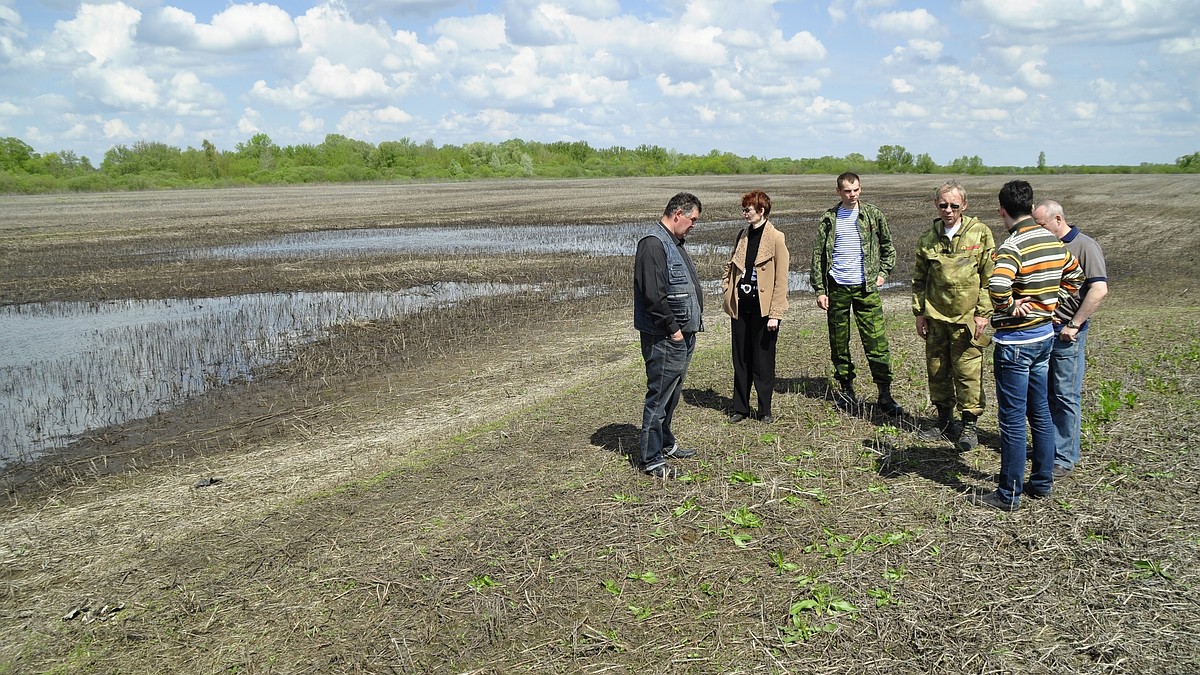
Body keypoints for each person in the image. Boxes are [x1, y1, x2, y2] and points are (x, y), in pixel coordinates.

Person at [972, 180, 1083, 512]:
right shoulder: (1052, 240)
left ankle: (1008, 494)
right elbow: (1076, 278)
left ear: (1002, 211)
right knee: (1041, 412)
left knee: (1012, 419)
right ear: (1030, 206)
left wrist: (1009, 309)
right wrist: (1050, 305)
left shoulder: (1012, 246)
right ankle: (1042, 482)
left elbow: (997, 285)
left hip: (1015, 344)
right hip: (1044, 340)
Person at [810, 171, 903, 415]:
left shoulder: (872, 214)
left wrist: (883, 273)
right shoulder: (829, 219)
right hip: (838, 288)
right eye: (847, 191)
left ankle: (884, 395)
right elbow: (818, 257)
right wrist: (820, 289)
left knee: (876, 342)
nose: (852, 195)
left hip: (866, 289)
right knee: (839, 343)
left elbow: (888, 248)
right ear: (838, 192)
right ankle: (847, 390)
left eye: (856, 190)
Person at [912, 181, 994, 451]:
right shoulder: (928, 238)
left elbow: (988, 278)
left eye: (954, 205)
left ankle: (969, 425)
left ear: (964, 206)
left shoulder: (980, 234)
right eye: (943, 204)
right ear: (936, 205)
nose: (948, 210)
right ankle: (945, 421)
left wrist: (983, 314)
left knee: (967, 372)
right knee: (937, 371)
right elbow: (920, 280)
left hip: (967, 321)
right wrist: (920, 313)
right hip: (936, 319)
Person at [1033, 199, 1109, 478]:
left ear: (1058, 219)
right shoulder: (1048, 246)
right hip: (1044, 329)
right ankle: (1050, 446)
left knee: (1065, 394)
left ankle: (1064, 457)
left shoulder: (1085, 246)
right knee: (1046, 392)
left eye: (1041, 225)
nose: (1038, 230)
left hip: (1067, 332)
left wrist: (1074, 324)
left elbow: (1099, 290)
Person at [633, 192, 705, 479]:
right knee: (659, 397)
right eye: (693, 220)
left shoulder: (673, 242)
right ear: (678, 213)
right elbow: (653, 295)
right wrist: (674, 331)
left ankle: (664, 443)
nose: (693, 226)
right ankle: (651, 459)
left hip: (681, 335)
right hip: (664, 337)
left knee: (672, 395)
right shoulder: (653, 244)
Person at [722, 190, 789, 424]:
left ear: (761, 211)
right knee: (740, 359)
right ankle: (740, 408)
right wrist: (726, 289)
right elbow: (732, 266)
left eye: (748, 210)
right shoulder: (742, 235)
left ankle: (764, 410)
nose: (744, 213)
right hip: (741, 309)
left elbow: (781, 280)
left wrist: (776, 314)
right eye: (744, 209)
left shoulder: (776, 238)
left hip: (764, 312)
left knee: (763, 361)